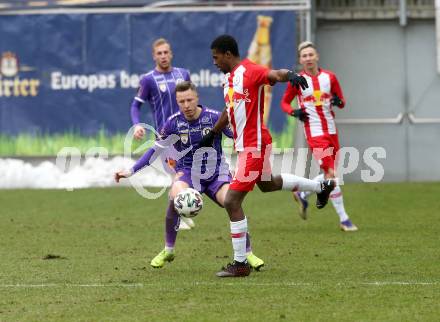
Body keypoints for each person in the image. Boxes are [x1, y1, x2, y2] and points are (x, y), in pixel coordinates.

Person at [199, 35, 336, 278]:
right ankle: (320, 186)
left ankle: (240, 263)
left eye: (215, 57)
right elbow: (229, 110)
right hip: (251, 144)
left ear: (227, 54)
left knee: (231, 201)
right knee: (267, 184)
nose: (214, 62)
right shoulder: (228, 80)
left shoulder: (249, 70)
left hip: (255, 145)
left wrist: (290, 75)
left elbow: (274, 75)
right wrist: (213, 133)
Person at [116, 81, 265, 270]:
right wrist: (130, 171)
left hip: (216, 172)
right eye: (181, 102)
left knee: (231, 202)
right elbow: (153, 151)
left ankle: (248, 253)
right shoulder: (173, 122)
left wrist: (249, 152)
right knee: (175, 196)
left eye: (189, 100)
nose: (186, 105)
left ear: (197, 98)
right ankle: (169, 250)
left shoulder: (213, 118)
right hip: (188, 173)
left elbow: (238, 136)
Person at [281, 41, 358, 232]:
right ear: (300, 60)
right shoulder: (298, 80)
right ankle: (344, 219)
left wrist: (339, 101)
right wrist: (294, 112)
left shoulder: (329, 77)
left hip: (331, 131)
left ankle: (304, 193)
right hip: (314, 133)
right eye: (304, 56)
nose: (308, 58)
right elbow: (284, 103)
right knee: (332, 176)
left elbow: (341, 101)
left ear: (317, 56)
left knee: (329, 174)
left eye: (310, 55)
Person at [129, 38, 194, 230]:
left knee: (188, 176)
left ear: (171, 54)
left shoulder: (183, 74)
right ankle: (179, 216)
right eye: (159, 53)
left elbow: (191, 99)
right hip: (166, 139)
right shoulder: (148, 79)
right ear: (154, 56)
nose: (163, 56)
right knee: (177, 176)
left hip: (189, 135)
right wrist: (136, 125)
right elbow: (135, 105)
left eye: (166, 52)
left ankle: (181, 210)